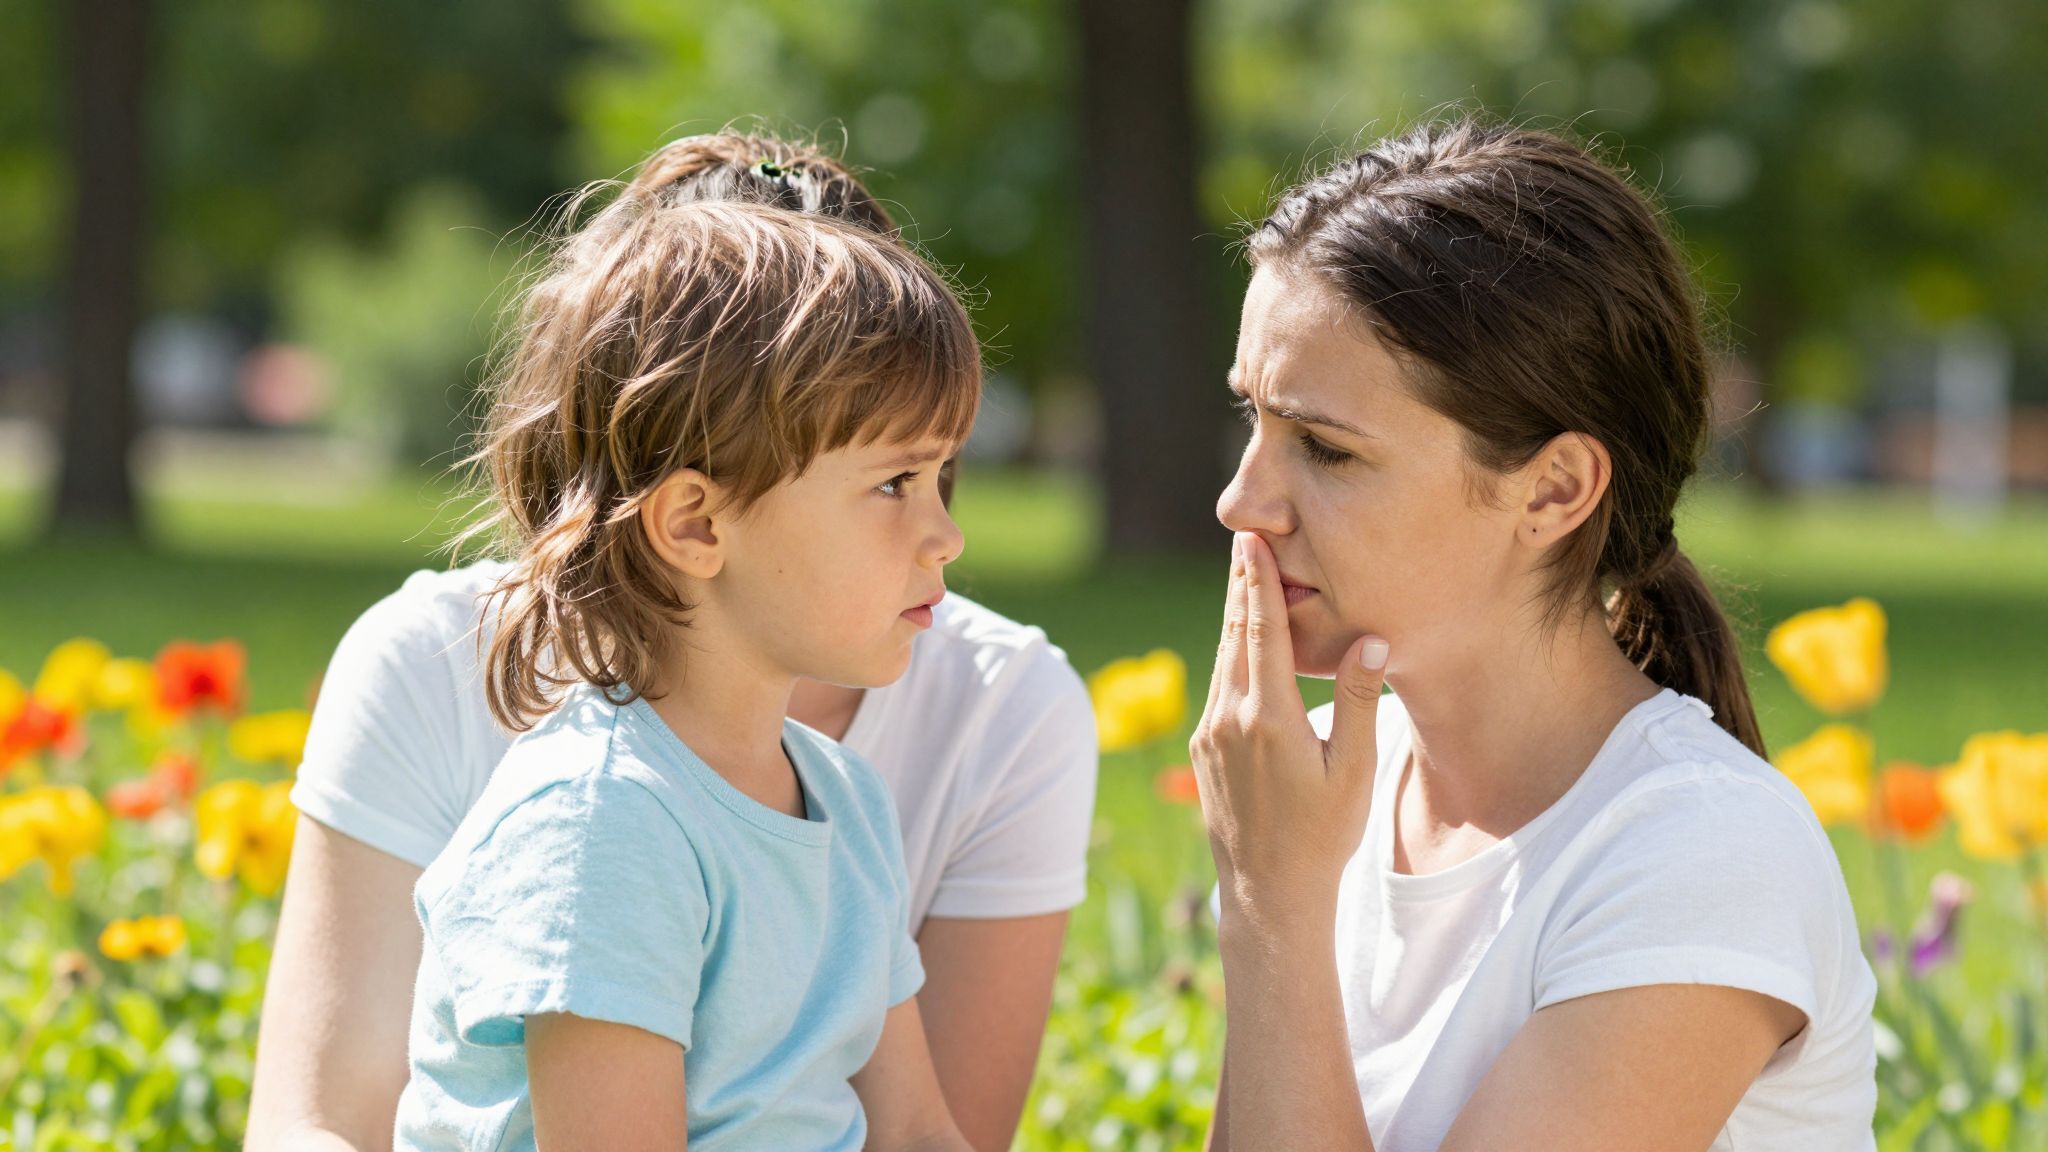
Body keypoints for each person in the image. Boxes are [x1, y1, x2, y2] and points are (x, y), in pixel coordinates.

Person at [246, 137, 1096, 1152]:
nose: (946, 535)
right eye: (892, 484)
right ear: (695, 523)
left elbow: (915, 1131)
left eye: (940, 478)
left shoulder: (845, 802)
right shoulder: (593, 823)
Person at [1192, 118, 1877, 1151]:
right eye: (1253, 419)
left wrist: (1270, 903)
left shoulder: (1699, 852)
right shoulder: (1319, 788)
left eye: (1325, 450)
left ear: (1554, 489)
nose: (1240, 504)